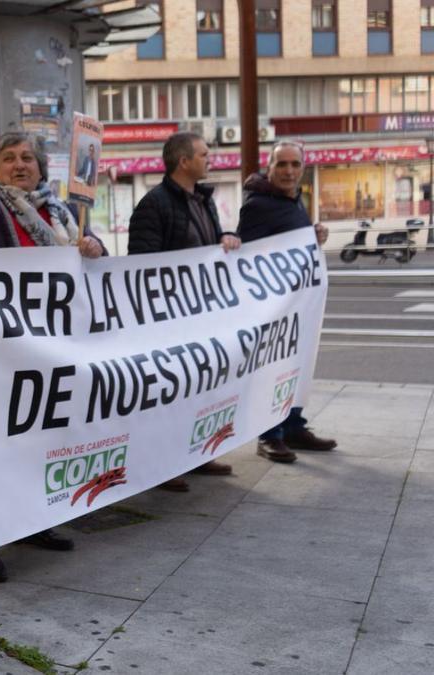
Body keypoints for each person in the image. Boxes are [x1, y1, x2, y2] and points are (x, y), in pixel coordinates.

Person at [0, 131, 102, 583]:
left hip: (48, 353)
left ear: (41, 168)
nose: (19, 164)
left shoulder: (62, 213)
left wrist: (93, 247)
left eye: (27, 157)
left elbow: (92, 256)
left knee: (38, 443)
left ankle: (34, 522)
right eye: (8, 158)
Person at [127, 131, 239, 491]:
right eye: (205, 154)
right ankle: (161, 465)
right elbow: (141, 265)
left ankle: (195, 455)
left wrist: (226, 239)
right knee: (168, 397)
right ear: (184, 161)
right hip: (168, 321)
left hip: (200, 318)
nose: (211, 160)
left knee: (198, 390)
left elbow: (209, 243)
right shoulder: (154, 204)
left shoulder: (202, 201)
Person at [237, 141, 337, 463]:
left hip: (295, 307)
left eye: (295, 164)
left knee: (296, 367)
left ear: (302, 169)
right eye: (282, 165)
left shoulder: (294, 200)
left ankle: (293, 425)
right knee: (273, 370)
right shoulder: (258, 204)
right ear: (270, 167)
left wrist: (313, 234)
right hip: (271, 309)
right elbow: (249, 257)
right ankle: (270, 435)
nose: (289, 171)